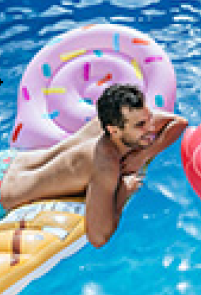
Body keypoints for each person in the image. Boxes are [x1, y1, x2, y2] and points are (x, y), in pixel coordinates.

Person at [0, 84, 187, 247]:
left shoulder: (111, 118)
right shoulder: (104, 163)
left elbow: (178, 122)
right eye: (140, 125)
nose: (150, 128)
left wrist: (144, 154)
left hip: (11, 160)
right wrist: (123, 192)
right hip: (4, 194)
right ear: (113, 130)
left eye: (149, 119)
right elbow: (98, 237)